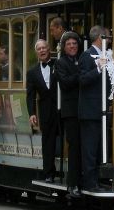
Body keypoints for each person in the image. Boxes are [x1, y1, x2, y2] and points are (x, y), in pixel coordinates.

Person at [78, 25, 111, 192]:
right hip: (90, 111)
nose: (111, 40)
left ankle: (100, 179)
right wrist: (98, 67)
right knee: (90, 149)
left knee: (101, 147)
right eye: (108, 37)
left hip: (104, 110)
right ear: (101, 38)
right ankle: (90, 183)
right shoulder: (86, 55)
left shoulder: (108, 56)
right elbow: (82, 80)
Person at [26, 39, 59, 182]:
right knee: (47, 142)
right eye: (39, 49)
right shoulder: (32, 72)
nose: (42, 50)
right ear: (36, 52)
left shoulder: (58, 64)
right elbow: (30, 94)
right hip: (45, 110)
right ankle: (49, 173)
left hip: (62, 108)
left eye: (44, 47)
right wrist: (32, 113)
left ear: (49, 48)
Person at [55, 31, 82, 198]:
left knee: (83, 146)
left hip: (83, 109)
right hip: (70, 111)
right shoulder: (61, 63)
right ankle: (72, 184)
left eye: (74, 44)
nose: (72, 46)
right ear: (64, 47)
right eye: (69, 44)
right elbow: (65, 83)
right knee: (74, 147)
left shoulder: (82, 60)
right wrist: (80, 75)